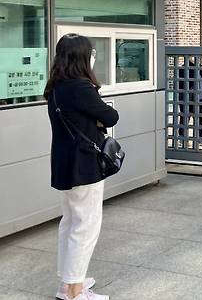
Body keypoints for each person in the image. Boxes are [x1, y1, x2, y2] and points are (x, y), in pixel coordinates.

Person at [45, 34, 119, 300]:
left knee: (70, 223)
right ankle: (74, 291)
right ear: (82, 57)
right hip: (85, 165)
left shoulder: (54, 88)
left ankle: (67, 282)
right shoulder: (80, 88)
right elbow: (111, 116)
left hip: (64, 165)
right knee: (85, 227)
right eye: (91, 53)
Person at [177, 57, 202, 138]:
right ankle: (183, 135)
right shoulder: (184, 68)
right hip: (188, 97)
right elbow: (181, 84)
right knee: (186, 117)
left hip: (200, 97)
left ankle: (197, 135)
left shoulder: (201, 68)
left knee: (198, 118)